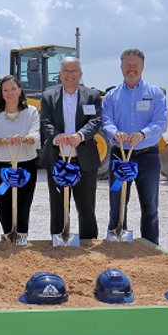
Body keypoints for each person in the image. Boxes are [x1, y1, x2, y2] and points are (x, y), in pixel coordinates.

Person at [101, 48, 168, 245]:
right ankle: (116, 243)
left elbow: (161, 122)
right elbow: (106, 121)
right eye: (127, 65)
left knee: (150, 206)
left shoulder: (155, 94)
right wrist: (115, 132)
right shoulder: (111, 96)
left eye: (135, 65)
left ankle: (150, 246)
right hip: (119, 157)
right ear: (121, 67)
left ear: (142, 67)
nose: (131, 69)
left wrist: (142, 134)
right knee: (117, 203)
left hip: (148, 158)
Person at [40, 57, 103, 240]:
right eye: (66, 71)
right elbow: (45, 121)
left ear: (80, 73)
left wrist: (80, 136)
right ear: (60, 74)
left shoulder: (91, 96)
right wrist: (56, 136)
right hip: (57, 160)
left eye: (74, 70)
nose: (70, 74)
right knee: (58, 207)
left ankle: (88, 242)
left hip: (84, 161)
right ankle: (59, 242)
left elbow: (95, 121)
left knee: (86, 207)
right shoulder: (48, 96)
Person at [0, 75, 40, 236]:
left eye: (13, 89)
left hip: (25, 166)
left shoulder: (31, 111)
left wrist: (24, 138)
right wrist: (4, 141)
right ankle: (8, 236)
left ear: (19, 90)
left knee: (23, 206)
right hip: (0, 168)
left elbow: (35, 134)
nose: (10, 93)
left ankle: (21, 236)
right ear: (1, 93)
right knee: (2, 204)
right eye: (5, 90)